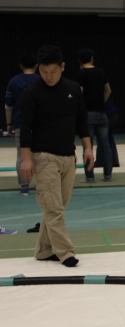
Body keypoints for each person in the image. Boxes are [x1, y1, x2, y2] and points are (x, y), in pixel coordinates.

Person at [19, 45, 94, 267]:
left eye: (53, 71)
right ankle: (66, 252)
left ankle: (44, 250)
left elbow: (81, 120)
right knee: (53, 208)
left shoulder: (73, 89)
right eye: (44, 72)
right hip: (43, 157)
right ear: (38, 69)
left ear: (62, 67)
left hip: (68, 157)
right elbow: (25, 128)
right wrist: (26, 159)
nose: (48, 76)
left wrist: (88, 148)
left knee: (57, 206)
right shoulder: (31, 93)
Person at [4, 52, 40, 195]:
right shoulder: (41, 80)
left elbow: (9, 105)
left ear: (21, 66)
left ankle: (24, 186)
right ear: (36, 66)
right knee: (41, 154)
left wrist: (9, 124)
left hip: (21, 123)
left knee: (21, 154)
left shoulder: (14, 81)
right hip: (40, 124)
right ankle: (42, 184)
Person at [76, 47, 113, 182]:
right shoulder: (100, 72)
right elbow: (108, 90)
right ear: (92, 58)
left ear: (79, 60)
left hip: (88, 114)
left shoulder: (81, 74)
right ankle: (107, 174)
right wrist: (101, 101)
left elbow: (79, 93)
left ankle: (89, 176)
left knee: (88, 146)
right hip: (102, 113)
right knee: (105, 145)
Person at [95, 94, 120, 170]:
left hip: (107, 114)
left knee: (102, 139)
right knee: (109, 138)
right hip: (112, 113)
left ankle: (100, 161)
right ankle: (114, 161)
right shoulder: (104, 91)